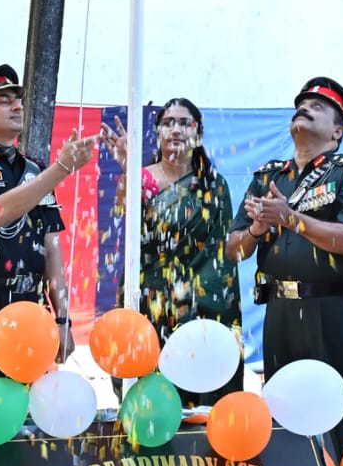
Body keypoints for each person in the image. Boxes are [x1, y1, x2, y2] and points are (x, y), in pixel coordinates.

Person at [226, 77, 343, 460]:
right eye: (301, 105)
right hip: (280, 311)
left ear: (337, 131)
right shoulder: (267, 177)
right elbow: (233, 251)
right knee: (284, 412)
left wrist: (291, 218)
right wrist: (256, 229)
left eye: (318, 107)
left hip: (335, 308)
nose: (305, 108)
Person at [0, 64, 96, 431]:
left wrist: (62, 318)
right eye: (3, 100)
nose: (17, 106)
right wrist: (61, 168)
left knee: (31, 415)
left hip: (30, 305)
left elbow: (51, 249)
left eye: (18, 100)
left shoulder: (34, 169)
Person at [101, 97, 241, 405]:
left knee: (198, 390)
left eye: (184, 123)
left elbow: (221, 252)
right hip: (149, 298)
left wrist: (198, 299)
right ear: (158, 133)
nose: (176, 129)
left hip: (200, 303)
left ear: (197, 133)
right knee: (149, 391)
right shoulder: (142, 177)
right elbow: (126, 217)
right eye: (168, 123)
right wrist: (128, 169)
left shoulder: (213, 185)